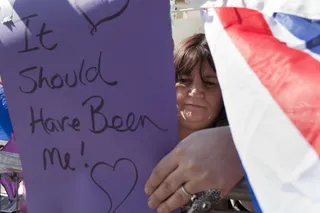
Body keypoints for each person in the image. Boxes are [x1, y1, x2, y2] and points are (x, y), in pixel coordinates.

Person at [145, 34, 252, 213]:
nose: (195, 92)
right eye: (184, 81)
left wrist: (240, 155)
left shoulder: (238, 147)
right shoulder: (141, 136)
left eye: (209, 84)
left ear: (225, 95)